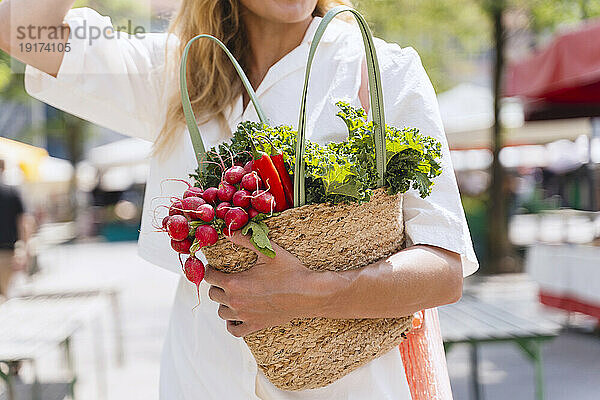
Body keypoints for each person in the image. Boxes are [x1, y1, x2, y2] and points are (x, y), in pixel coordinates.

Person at [0, 0, 478, 398]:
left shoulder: (381, 72)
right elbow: (20, 29)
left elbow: (444, 267)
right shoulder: (177, 75)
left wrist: (313, 292)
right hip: (199, 380)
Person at [0, 159, 26, 297]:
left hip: (7, 251)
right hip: (7, 252)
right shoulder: (13, 192)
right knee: (5, 294)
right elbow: (24, 223)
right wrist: (22, 248)